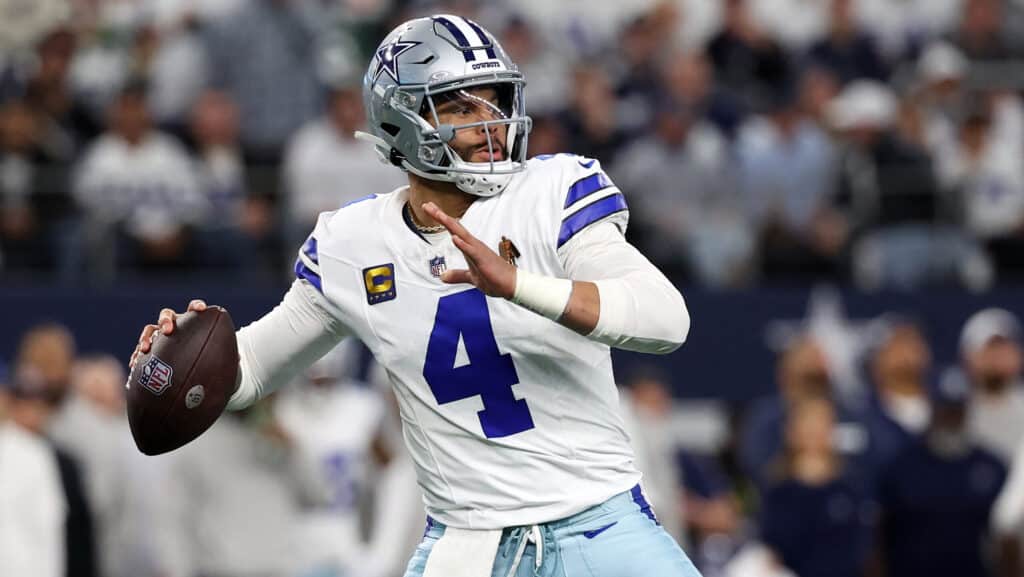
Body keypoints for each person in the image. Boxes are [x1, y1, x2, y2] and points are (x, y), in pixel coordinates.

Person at [131, 13, 694, 577]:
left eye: (495, 101)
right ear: (400, 121)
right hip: (468, 543)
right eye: (461, 106)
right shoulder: (352, 243)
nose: (491, 123)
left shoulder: (553, 191)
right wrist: (174, 361)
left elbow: (667, 320)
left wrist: (518, 284)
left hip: (599, 525)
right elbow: (250, 369)